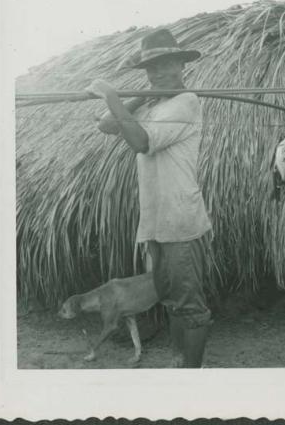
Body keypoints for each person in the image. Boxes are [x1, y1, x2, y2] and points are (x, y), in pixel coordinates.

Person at [86, 28, 212, 368]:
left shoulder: (187, 102)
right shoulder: (152, 103)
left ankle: (193, 371)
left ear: (181, 65)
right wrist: (139, 96)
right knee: (169, 299)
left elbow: (141, 141)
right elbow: (107, 126)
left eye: (166, 64)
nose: (158, 73)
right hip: (155, 222)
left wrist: (112, 95)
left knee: (190, 305)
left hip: (181, 222)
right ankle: (179, 360)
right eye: (150, 68)